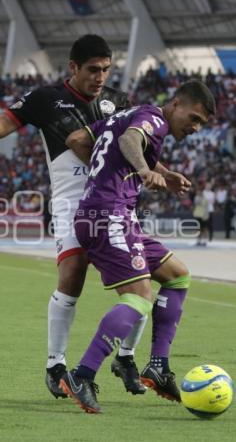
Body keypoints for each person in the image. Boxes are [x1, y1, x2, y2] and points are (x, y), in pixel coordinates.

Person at [0, 34, 148, 399]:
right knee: (72, 275)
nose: (100, 76)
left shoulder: (119, 102)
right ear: (73, 67)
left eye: (106, 69)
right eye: (92, 69)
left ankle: (128, 357)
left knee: (142, 282)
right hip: (72, 204)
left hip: (115, 203)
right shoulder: (43, 99)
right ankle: (56, 365)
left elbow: (133, 148)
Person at [60, 80, 215, 413]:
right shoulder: (154, 120)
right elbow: (132, 140)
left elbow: (76, 139)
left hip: (111, 214)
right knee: (139, 298)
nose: (194, 128)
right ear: (175, 104)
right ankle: (82, 374)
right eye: (194, 118)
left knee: (177, 276)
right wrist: (143, 171)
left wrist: (160, 171)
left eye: (201, 124)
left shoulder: (125, 115)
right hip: (108, 215)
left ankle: (157, 366)